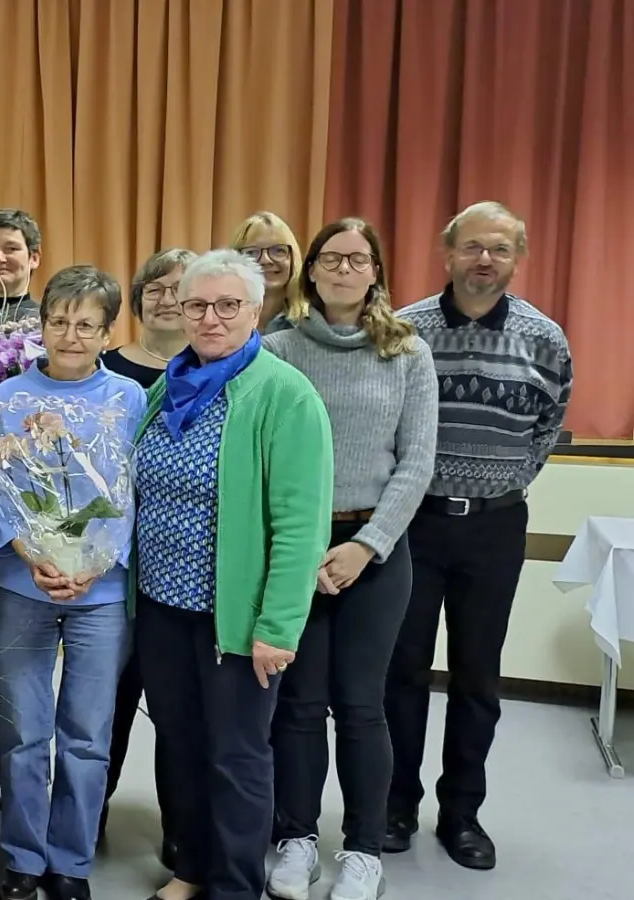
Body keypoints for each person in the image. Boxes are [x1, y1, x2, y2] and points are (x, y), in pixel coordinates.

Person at [132, 249, 332, 900]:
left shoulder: (284, 393)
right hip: (163, 606)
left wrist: (278, 625)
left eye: (227, 306)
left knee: (237, 757)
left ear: (255, 311)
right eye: (196, 305)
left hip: (237, 619)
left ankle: (236, 885)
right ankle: (191, 865)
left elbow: (301, 524)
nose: (210, 318)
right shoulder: (171, 382)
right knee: (180, 745)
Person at [385, 201, 571, 871]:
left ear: (516, 258)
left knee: (477, 679)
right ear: (448, 253)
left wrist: (499, 481)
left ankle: (461, 814)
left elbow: (549, 425)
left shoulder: (543, 337)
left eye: (498, 248)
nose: (484, 259)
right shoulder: (406, 330)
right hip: (414, 524)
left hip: (495, 526)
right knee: (399, 673)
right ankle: (395, 807)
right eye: (472, 247)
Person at [262, 218, 437, 900]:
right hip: (296, 550)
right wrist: (303, 548)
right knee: (299, 704)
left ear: (376, 272)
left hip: (376, 553)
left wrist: (366, 547)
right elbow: (267, 456)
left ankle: (363, 847)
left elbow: (418, 460)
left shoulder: (407, 353)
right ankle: (297, 839)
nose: (342, 269)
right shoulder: (277, 350)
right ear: (311, 271)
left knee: (363, 705)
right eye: (330, 258)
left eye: (356, 259)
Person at [0, 266, 146, 900]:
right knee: (23, 727)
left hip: (101, 591)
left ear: (107, 332)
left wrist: (96, 565)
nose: (71, 336)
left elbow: (136, 494)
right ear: (41, 325)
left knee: (87, 731)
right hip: (24, 582)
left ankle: (71, 860)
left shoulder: (129, 399)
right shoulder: (5, 397)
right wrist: (32, 556)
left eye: (86, 325)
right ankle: (24, 855)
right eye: (59, 322)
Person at [97, 249, 194, 862]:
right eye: (153, 287)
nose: (164, 297)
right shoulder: (103, 366)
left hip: (176, 568)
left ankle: (180, 828)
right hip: (105, 567)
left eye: (178, 289)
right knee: (105, 702)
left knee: (178, 707)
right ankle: (88, 808)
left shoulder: (209, 370)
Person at [230, 211, 303, 331]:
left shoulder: (311, 324)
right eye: (252, 252)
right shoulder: (218, 319)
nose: (265, 260)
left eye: (278, 250)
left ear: (293, 258)